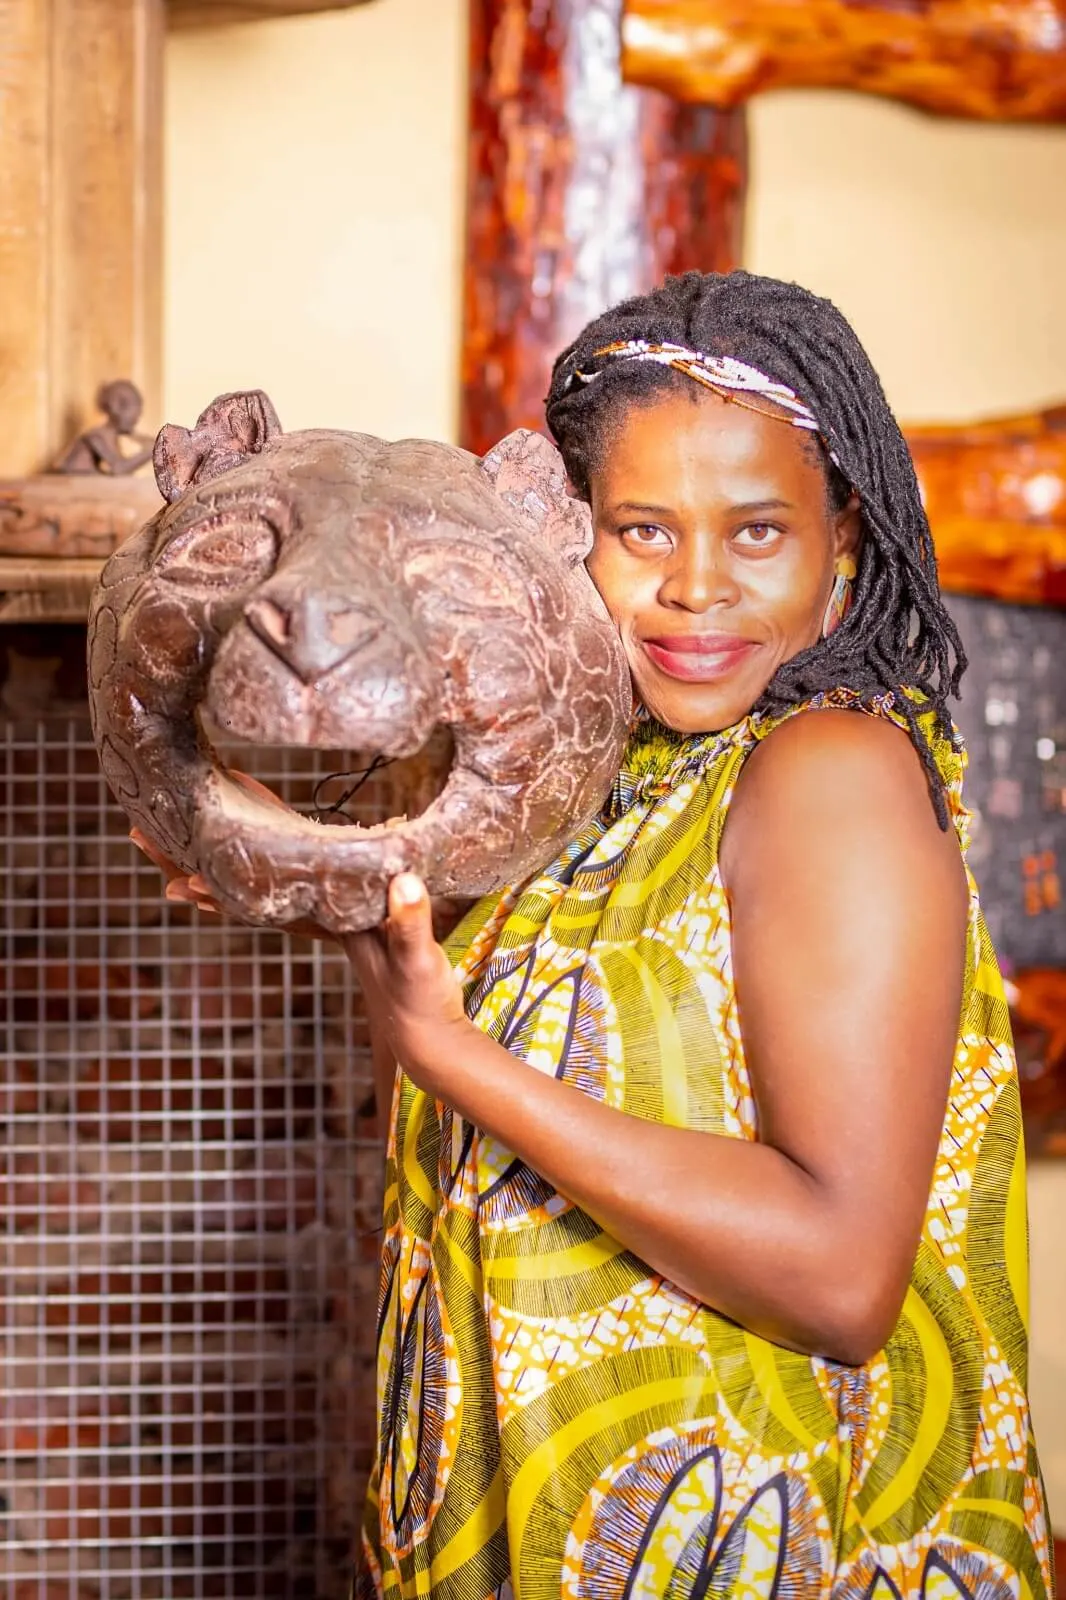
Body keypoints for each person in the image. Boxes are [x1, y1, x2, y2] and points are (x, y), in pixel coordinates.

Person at [144, 270, 1051, 1599]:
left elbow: (839, 1275)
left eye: (757, 531)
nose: (696, 588)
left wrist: (452, 1055)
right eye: (642, 531)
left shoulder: (828, 771)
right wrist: (345, 899)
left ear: (842, 534)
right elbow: (492, 1122)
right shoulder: (613, 780)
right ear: (569, 539)